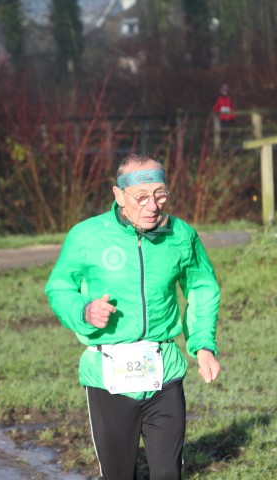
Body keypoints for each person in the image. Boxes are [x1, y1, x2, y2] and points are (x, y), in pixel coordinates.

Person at [45, 153, 221, 480]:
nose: (152, 206)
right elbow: (59, 287)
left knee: (168, 473)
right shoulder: (86, 236)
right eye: (141, 197)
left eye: (160, 195)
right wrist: (83, 311)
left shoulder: (180, 235)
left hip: (164, 372)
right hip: (108, 376)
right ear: (119, 195)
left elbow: (202, 286)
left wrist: (203, 345)